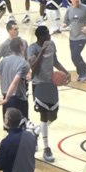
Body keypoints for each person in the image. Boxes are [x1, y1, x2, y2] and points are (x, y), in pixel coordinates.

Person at [26, 24, 70, 163]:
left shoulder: (52, 45)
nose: (50, 36)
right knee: (44, 115)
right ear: (41, 37)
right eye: (47, 35)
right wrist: (41, 52)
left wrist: (65, 71)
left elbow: (55, 61)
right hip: (39, 84)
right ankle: (46, 148)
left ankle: (36, 131)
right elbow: (33, 67)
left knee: (54, 115)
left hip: (51, 84)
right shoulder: (32, 49)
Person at [0, 35, 30, 129]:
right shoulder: (23, 63)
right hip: (18, 100)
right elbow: (14, 82)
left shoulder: (4, 61)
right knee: (21, 127)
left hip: (6, 99)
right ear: (21, 47)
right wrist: (7, 98)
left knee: (8, 127)